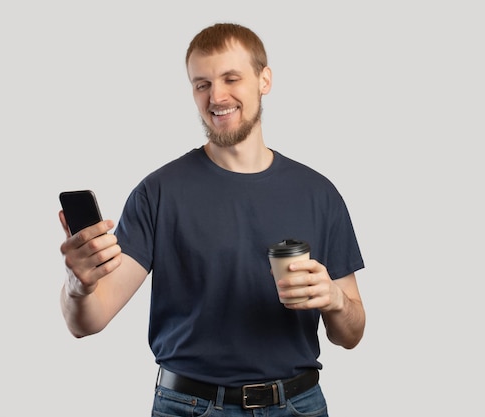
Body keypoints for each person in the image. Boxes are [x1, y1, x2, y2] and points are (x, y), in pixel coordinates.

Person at [59, 22, 365, 417]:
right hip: (189, 406)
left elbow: (351, 333)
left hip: (298, 405)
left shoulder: (319, 193)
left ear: (264, 80)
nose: (216, 96)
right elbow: (88, 320)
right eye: (201, 84)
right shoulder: (159, 192)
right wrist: (77, 285)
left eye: (231, 78)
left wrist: (335, 300)